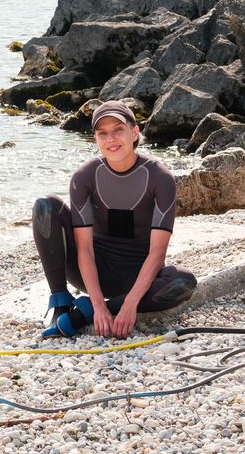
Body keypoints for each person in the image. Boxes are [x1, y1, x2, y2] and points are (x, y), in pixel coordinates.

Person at [32, 101, 197, 340]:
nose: (111, 139)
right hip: (90, 273)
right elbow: (85, 249)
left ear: (134, 132)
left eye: (118, 130)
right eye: (103, 133)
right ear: (96, 139)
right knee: (45, 205)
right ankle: (60, 305)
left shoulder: (159, 178)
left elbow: (157, 254)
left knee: (183, 281)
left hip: (137, 277)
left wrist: (129, 304)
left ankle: (87, 312)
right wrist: (98, 301)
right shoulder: (85, 177)